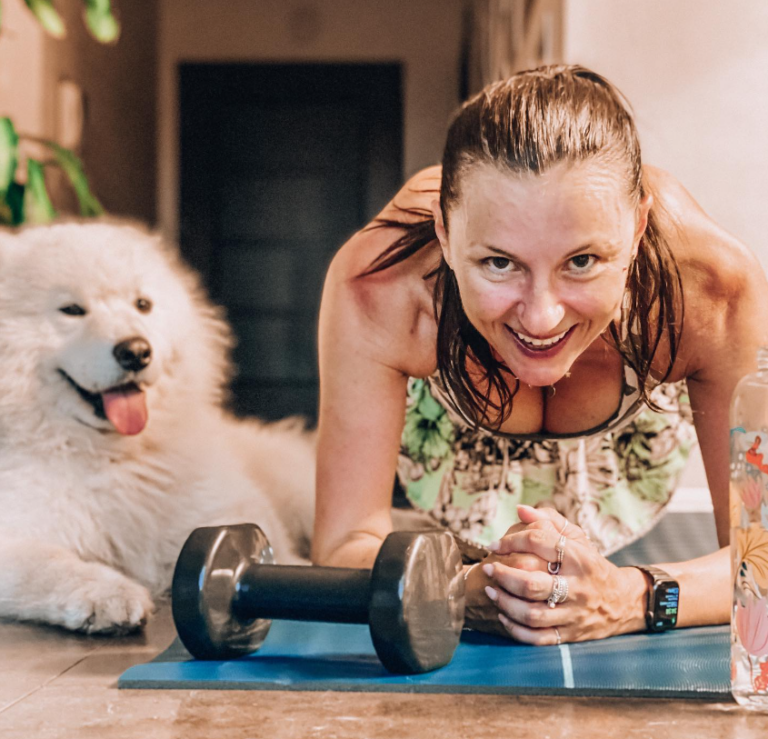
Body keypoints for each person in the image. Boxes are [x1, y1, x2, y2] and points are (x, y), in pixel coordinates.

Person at [312, 64, 768, 645]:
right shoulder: (380, 286)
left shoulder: (711, 291)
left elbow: (764, 555)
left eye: (582, 261)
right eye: (499, 263)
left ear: (637, 229)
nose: (541, 318)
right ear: (446, 236)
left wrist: (628, 597)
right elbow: (344, 545)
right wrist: (467, 588)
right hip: (456, 493)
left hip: (623, 478)